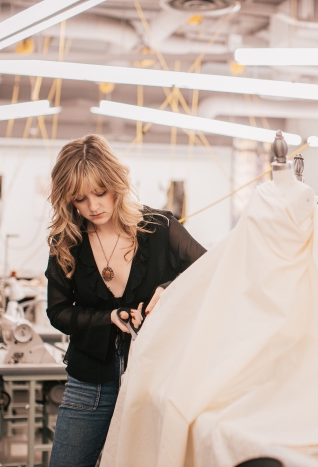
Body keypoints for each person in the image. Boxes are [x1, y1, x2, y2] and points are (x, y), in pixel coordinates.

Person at [45, 135, 206, 467]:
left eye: (100, 192)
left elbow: (210, 274)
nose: (93, 206)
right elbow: (58, 312)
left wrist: (169, 288)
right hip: (89, 383)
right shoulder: (67, 242)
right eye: (80, 198)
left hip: (156, 381)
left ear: (116, 182)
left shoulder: (161, 228)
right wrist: (108, 318)